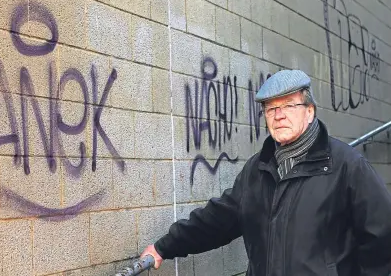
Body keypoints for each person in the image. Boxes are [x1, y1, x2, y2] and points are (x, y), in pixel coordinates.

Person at [141, 69, 391, 275]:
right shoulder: (257, 170)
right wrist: (163, 247)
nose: (278, 115)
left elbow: (381, 238)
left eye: (289, 105)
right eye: (270, 109)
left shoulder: (346, 165)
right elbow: (216, 221)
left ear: (310, 111)